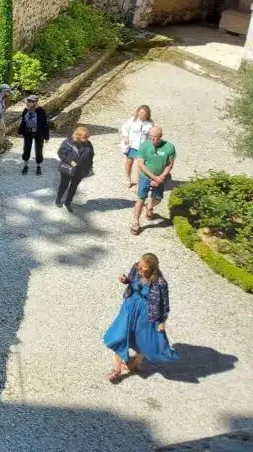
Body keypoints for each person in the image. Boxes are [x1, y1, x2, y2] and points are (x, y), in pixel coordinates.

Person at [103, 253, 178, 382]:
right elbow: (131, 280)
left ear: (151, 268)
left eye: (143, 266)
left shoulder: (160, 282)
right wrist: (125, 280)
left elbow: (165, 305)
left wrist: (162, 322)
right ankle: (116, 369)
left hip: (146, 312)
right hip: (130, 306)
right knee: (120, 335)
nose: (139, 267)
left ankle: (135, 362)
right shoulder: (136, 268)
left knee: (144, 340)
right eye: (140, 264)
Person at [132, 125, 176, 235]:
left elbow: (170, 164)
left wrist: (161, 177)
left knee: (158, 198)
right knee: (141, 198)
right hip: (145, 176)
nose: (153, 139)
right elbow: (141, 164)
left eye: (155, 137)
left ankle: (150, 206)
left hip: (160, 177)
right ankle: (135, 222)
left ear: (160, 136)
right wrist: (153, 177)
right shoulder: (145, 146)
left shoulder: (169, 147)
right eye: (151, 136)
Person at [55, 125, 94, 212]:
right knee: (63, 185)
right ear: (78, 136)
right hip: (68, 169)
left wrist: (90, 167)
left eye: (88, 136)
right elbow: (60, 154)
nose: (87, 138)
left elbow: (91, 156)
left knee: (74, 187)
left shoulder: (88, 144)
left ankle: (68, 202)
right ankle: (58, 199)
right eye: (85, 136)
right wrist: (70, 161)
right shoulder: (67, 143)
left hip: (80, 171)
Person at [121, 105, 154, 189]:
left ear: (147, 113)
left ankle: (139, 183)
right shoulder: (133, 120)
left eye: (142, 112)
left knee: (140, 165)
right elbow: (125, 127)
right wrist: (126, 137)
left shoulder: (150, 123)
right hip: (132, 145)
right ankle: (128, 179)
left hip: (143, 146)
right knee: (129, 161)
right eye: (139, 111)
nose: (140, 113)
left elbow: (152, 135)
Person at [17, 94, 49, 175]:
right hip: (28, 133)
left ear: (35, 102)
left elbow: (45, 124)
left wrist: (46, 136)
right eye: (27, 101)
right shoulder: (25, 110)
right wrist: (20, 131)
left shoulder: (41, 111)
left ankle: (38, 166)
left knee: (39, 150)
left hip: (39, 134)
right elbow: (23, 122)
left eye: (29, 102)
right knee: (26, 149)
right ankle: (25, 165)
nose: (27, 103)